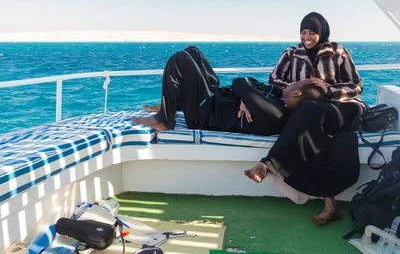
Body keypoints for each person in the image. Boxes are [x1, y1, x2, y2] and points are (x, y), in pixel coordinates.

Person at [244, 12, 365, 225]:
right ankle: (330, 206)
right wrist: (297, 89)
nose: (306, 37)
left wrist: (327, 91)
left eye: (311, 32)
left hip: (340, 109)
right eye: (303, 32)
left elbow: (356, 85)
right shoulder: (291, 53)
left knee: (309, 114)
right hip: (307, 111)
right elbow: (274, 79)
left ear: (322, 32)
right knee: (314, 135)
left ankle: (269, 164)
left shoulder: (338, 52)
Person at [132, 46, 324, 135]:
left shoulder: (274, 113)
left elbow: (240, 82)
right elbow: (250, 82)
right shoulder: (277, 95)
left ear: (298, 94)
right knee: (192, 51)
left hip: (203, 115)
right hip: (214, 99)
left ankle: (164, 121)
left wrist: (246, 95)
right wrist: (246, 98)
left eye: (302, 81)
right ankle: (173, 104)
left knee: (180, 59)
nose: (296, 80)